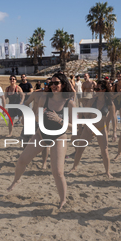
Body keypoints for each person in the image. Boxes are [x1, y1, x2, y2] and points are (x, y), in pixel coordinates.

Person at [7, 73, 75, 209]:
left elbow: (75, 127)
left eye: (57, 83)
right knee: (22, 160)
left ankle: (63, 200)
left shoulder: (69, 103)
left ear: (63, 84)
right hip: (41, 134)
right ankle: (16, 180)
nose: (53, 86)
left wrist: (60, 120)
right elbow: (37, 119)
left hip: (59, 137)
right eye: (52, 83)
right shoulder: (45, 98)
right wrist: (37, 116)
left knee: (58, 172)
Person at [70, 80, 113, 178]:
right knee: (80, 148)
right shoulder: (92, 100)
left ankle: (107, 172)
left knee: (104, 151)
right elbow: (85, 113)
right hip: (89, 127)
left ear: (104, 90)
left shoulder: (109, 103)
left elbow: (113, 118)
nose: (96, 91)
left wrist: (114, 132)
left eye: (98, 89)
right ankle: (74, 167)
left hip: (101, 128)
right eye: (95, 89)